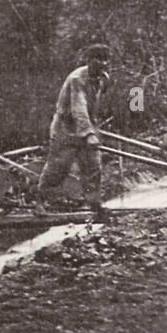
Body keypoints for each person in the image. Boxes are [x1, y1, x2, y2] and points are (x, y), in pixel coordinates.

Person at [39, 44, 111, 218]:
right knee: (58, 167)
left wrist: (93, 129)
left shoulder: (102, 78)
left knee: (93, 165)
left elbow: (94, 103)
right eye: (98, 59)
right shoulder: (77, 79)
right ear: (88, 60)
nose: (102, 63)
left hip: (86, 125)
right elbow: (78, 108)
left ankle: (94, 203)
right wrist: (88, 133)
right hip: (65, 128)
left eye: (105, 60)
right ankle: (40, 201)